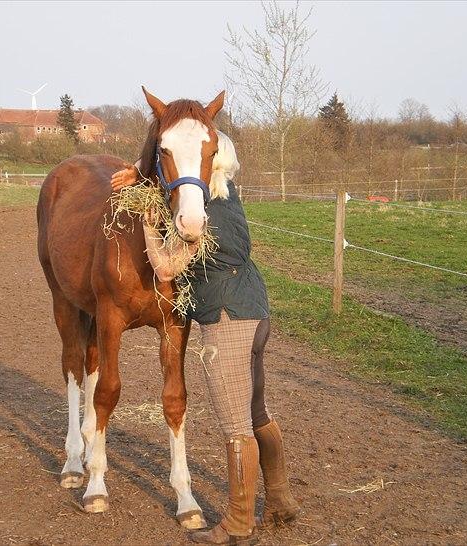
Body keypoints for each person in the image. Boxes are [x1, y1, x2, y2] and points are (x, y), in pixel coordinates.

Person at [110, 135, 299, 545]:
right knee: (257, 411)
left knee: (235, 425)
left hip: (226, 318)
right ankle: (281, 498)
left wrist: (145, 221)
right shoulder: (227, 195)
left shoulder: (201, 210)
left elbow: (164, 267)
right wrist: (142, 173)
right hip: (254, 310)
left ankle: (238, 522)